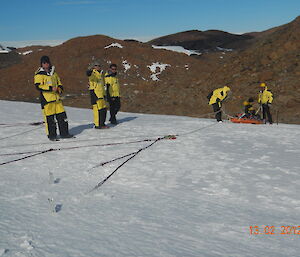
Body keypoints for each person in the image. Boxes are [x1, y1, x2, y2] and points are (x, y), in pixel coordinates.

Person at [34, 56, 74, 141]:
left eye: (47, 62)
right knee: (50, 119)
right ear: (41, 64)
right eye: (44, 63)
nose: (46, 64)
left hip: (57, 99)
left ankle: (64, 133)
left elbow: (59, 83)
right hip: (47, 100)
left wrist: (60, 88)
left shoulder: (54, 73)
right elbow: (38, 86)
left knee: (62, 117)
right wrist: (50, 88)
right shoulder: (39, 74)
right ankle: (52, 136)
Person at [86, 60, 109, 129]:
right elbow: (88, 73)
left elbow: (102, 86)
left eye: (99, 65)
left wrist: (104, 94)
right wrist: (89, 69)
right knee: (97, 110)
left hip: (101, 94)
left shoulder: (101, 74)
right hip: (95, 94)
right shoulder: (93, 73)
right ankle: (98, 124)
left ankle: (102, 123)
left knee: (103, 110)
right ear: (94, 67)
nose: (98, 67)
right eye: (96, 65)